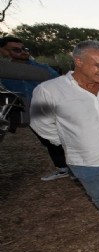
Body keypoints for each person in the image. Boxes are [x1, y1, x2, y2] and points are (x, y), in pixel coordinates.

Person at [30, 40, 99, 249]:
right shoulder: (49, 91)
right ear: (78, 61)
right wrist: (68, 140)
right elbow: (40, 123)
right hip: (84, 160)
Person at [1, 36, 69, 181]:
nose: (22, 52)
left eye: (23, 49)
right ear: (4, 51)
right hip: (26, 110)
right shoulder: (4, 72)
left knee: (64, 137)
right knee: (47, 140)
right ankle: (63, 168)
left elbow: (61, 85)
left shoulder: (42, 69)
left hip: (49, 108)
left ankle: (77, 167)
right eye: (16, 49)